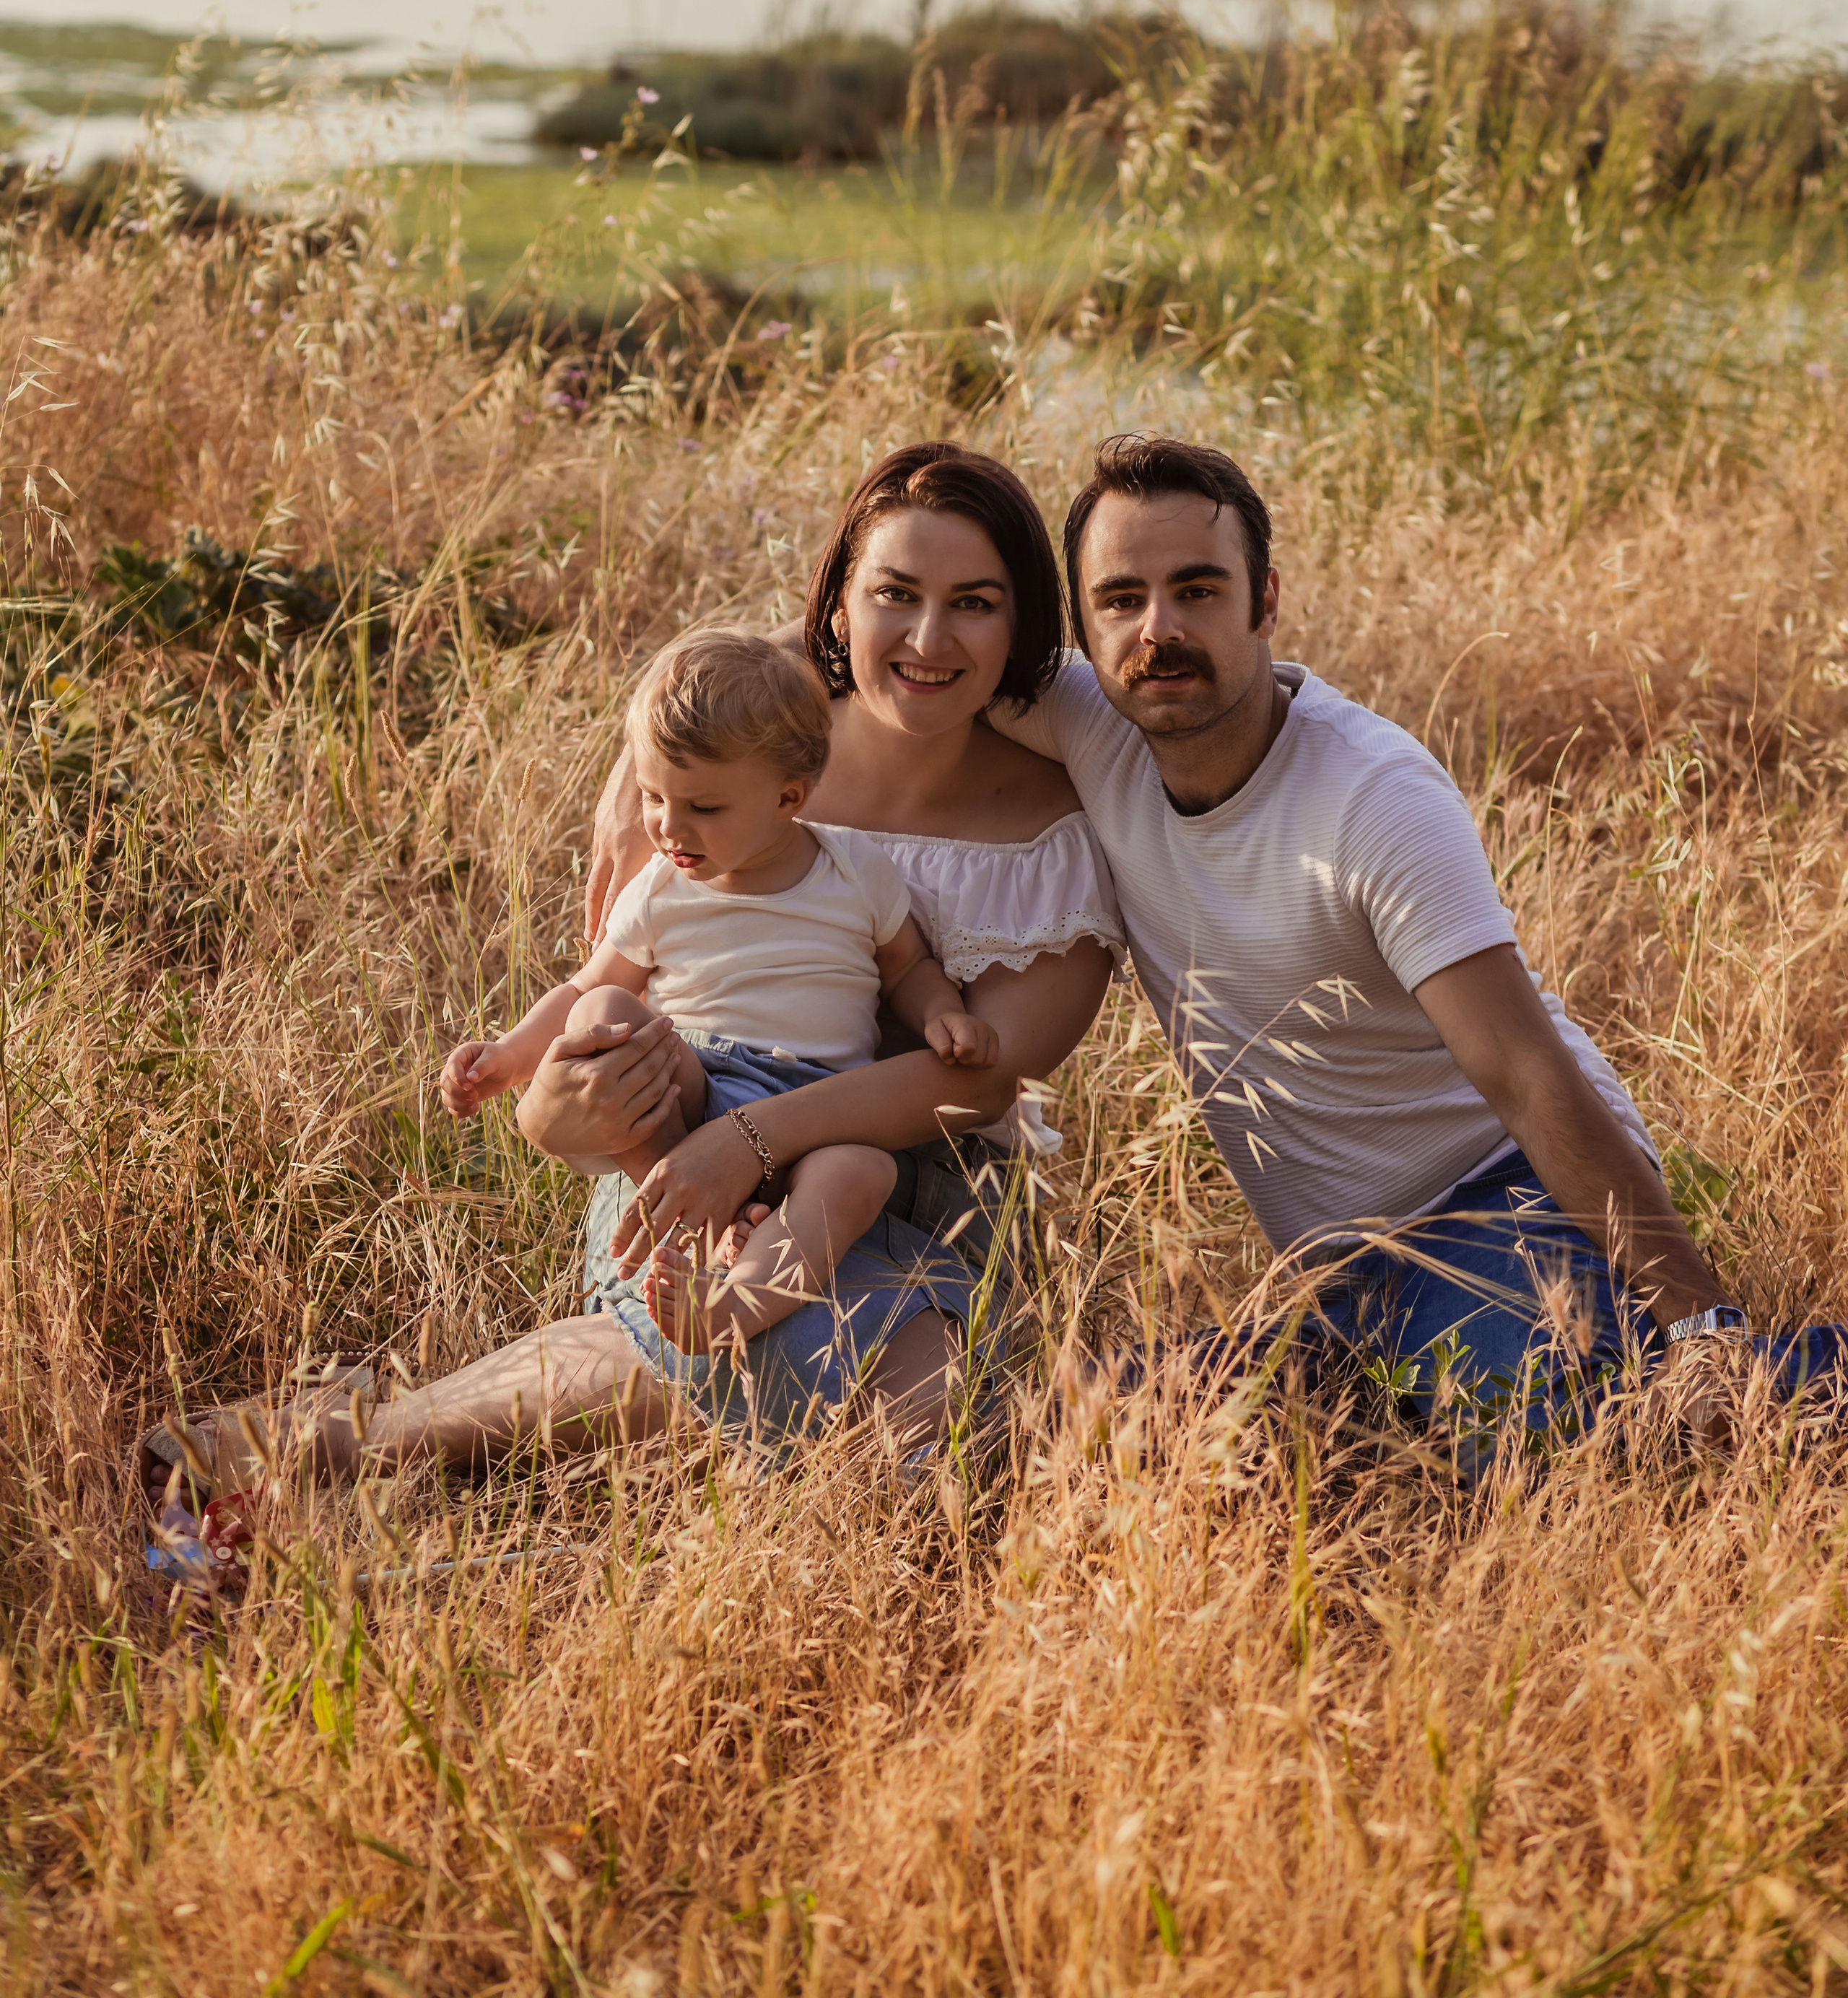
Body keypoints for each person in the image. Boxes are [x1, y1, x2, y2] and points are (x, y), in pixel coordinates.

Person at [141, 447, 1120, 1498]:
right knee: (857, 1391)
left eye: (975, 603)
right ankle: (397, 1429)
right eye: (895, 594)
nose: (930, 639)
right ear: (840, 607)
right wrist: (549, 1104)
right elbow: (611, 1000)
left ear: (1021, 625)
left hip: (905, 1191)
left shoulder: (1045, 830)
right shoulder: (719, 767)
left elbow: (974, 1082)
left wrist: (745, 1147)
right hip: (679, 1148)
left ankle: (377, 1434)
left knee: (933, 1444)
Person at [998, 432, 1843, 1465]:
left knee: (1535, 1447)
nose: (1158, 629)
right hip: (1344, 1279)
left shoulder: (1372, 797)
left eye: (1198, 590)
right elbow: (892, 649)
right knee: (1090, 1435)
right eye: (1121, 599)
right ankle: (1407, 1400)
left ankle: (1767, 1386)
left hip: (1503, 1200)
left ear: (1266, 603)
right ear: (1082, 629)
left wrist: (1703, 1331)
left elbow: (1529, 1076)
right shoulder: (1095, 720)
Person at [443, 627, 1000, 1356]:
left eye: (704, 808)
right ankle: (690, 1217)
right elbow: (587, 984)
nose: (669, 827)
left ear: (786, 797)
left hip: (815, 1109)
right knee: (604, 1013)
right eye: (652, 797)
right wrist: (508, 1059)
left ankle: (730, 1309)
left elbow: (906, 969)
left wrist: (943, 1014)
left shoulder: (854, 869)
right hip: (691, 1081)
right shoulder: (660, 888)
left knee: (860, 1173)